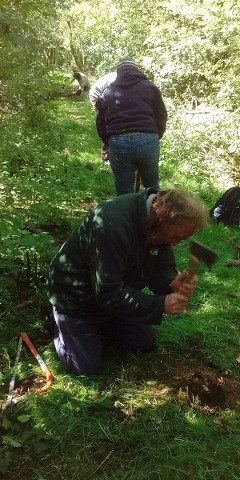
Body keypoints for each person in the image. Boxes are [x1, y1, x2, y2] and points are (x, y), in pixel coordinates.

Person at [46, 187, 209, 376]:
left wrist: (171, 283)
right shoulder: (111, 224)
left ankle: (101, 326)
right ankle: (58, 319)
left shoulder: (158, 226)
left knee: (144, 342)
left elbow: (162, 268)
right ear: (164, 218)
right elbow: (108, 292)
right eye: (176, 237)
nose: (175, 243)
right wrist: (160, 304)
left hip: (113, 299)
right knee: (85, 367)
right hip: (77, 301)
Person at [95, 56, 167, 195]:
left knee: (123, 191)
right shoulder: (151, 88)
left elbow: (100, 122)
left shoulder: (107, 93)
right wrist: (155, 136)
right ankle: (153, 215)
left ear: (118, 72)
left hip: (118, 141)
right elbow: (161, 115)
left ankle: (127, 215)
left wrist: (108, 140)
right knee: (152, 186)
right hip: (147, 138)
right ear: (136, 70)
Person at [89, 71, 117, 162]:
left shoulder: (116, 76)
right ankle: (106, 157)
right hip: (96, 96)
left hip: (100, 95)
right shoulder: (115, 78)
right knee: (106, 123)